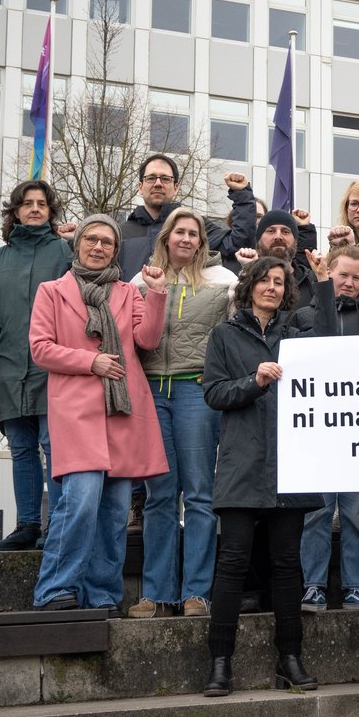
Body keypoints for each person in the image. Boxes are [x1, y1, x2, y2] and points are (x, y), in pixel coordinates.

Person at [201, 254, 337, 696]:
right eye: (264, 280)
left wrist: (325, 284)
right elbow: (214, 393)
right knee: (232, 564)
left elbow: (334, 347)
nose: (272, 288)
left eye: (279, 282)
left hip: (290, 468)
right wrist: (253, 381)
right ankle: (219, 664)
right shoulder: (223, 335)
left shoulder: (297, 336)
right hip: (242, 466)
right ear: (249, 286)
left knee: (286, 566)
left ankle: (290, 659)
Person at [29, 215, 168, 611]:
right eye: (91, 238)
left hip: (122, 412)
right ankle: (56, 589)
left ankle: (102, 596)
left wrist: (156, 293)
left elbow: (148, 339)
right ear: (78, 245)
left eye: (107, 242)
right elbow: (40, 347)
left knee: (112, 514)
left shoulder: (128, 292)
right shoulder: (52, 291)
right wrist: (91, 362)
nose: (98, 246)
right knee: (80, 502)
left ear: (115, 249)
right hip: (76, 412)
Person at [127, 209, 237, 619]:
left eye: (194, 233)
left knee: (199, 495)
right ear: (167, 237)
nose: (187, 239)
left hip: (195, 390)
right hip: (152, 390)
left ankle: (196, 592)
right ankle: (156, 593)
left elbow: (233, 334)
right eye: (180, 232)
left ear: (201, 241)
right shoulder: (142, 279)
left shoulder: (223, 280)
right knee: (158, 495)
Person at [294, 245, 359, 614]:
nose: (350, 283)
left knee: (356, 514)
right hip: (317, 432)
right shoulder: (304, 315)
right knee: (317, 514)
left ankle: (356, 586)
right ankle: (313, 586)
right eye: (343, 275)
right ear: (328, 274)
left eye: (358, 277)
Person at [0, 181, 71, 553]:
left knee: (53, 444)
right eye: (27, 204)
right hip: (8, 364)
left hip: (51, 365)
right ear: (15, 211)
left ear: (51, 211)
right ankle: (27, 526)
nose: (35, 209)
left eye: (42, 204)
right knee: (21, 446)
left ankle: (57, 525)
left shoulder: (64, 252)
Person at [118, 154, 256, 280]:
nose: (158, 183)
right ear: (140, 187)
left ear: (176, 187)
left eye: (165, 179)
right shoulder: (121, 234)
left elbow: (238, 243)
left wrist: (242, 195)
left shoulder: (196, 227)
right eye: (151, 178)